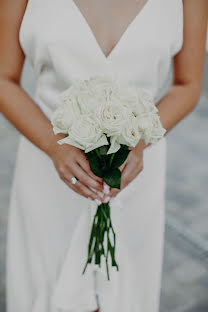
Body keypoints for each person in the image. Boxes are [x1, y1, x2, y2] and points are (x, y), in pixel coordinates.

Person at [0, 0, 207, 311]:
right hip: (47, 170)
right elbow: (3, 79)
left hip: (135, 174)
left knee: (127, 294)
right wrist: (53, 144)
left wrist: (138, 141)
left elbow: (187, 85)